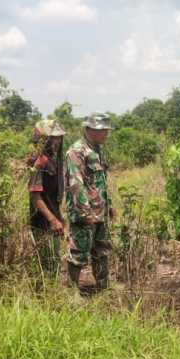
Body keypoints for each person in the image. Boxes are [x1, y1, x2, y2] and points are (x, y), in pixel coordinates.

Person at [64, 113, 121, 298]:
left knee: (102, 250)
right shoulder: (76, 151)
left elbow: (100, 182)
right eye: (102, 130)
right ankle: (73, 292)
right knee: (78, 253)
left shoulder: (97, 150)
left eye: (106, 130)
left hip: (100, 211)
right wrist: (84, 212)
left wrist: (109, 205)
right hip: (85, 214)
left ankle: (104, 286)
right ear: (89, 130)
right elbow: (75, 184)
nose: (106, 134)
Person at [27, 119, 66, 279]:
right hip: (42, 222)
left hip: (53, 219)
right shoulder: (40, 162)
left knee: (54, 261)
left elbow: (53, 196)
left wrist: (59, 217)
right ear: (44, 139)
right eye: (53, 138)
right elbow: (35, 195)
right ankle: (46, 297)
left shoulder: (56, 161)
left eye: (59, 137)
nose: (57, 141)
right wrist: (52, 220)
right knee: (48, 265)